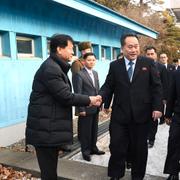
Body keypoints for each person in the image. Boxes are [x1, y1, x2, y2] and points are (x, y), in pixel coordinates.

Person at [25, 34, 101, 180]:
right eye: (71, 48)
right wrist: (89, 99)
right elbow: (65, 96)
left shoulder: (55, 66)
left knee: (51, 170)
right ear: (59, 49)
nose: (73, 52)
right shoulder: (51, 69)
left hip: (49, 127)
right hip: (45, 129)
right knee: (49, 172)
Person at [99, 33, 163, 180]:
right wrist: (101, 98)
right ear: (122, 48)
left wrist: (158, 107)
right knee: (116, 146)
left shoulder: (148, 63)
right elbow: (108, 86)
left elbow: (156, 87)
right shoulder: (115, 66)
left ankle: (137, 177)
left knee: (140, 150)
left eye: (136, 46)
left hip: (142, 115)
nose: (134, 50)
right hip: (120, 115)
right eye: (130, 47)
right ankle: (115, 175)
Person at [73, 52, 105, 161]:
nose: (91, 62)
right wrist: (81, 109)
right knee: (86, 132)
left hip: (95, 106)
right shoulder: (79, 74)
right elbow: (78, 93)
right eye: (88, 60)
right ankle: (85, 152)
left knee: (94, 129)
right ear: (83, 62)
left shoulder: (95, 73)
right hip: (85, 108)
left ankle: (93, 148)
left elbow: (97, 89)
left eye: (93, 60)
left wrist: (100, 103)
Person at [145, 46, 168, 148]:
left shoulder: (161, 67)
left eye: (152, 54)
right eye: (148, 54)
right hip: (143, 99)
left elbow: (165, 84)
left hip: (156, 99)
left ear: (156, 55)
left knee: (153, 120)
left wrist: (163, 99)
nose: (150, 56)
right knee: (143, 120)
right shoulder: (142, 66)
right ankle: (144, 137)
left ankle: (151, 140)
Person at [164, 69, 180, 180]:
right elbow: (171, 94)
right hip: (178, 116)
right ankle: (173, 172)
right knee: (174, 143)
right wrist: (168, 114)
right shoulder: (177, 73)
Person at [159, 52, 175, 124]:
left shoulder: (172, 67)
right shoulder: (157, 67)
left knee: (171, 104)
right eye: (161, 57)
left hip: (171, 89)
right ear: (159, 59)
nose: (163, 59)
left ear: (167, 58)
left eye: (164, 57)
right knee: (161, 105)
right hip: (161, 89)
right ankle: (162, 119)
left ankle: (170, 117)